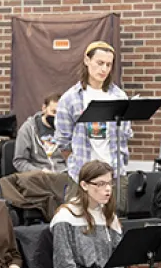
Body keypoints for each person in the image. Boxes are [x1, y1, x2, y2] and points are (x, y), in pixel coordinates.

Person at [54, 41, 131, 178]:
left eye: (108, 65)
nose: (104, 69)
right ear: (87, 60)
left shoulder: (119, 96)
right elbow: (63, 141)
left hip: (114, 172)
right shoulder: (70, 98)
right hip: (82, 174)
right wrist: (76, 164)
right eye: (100, 63)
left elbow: (124, 135)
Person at [13, 93, 67, 173]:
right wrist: (40, 172)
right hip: (38, 177)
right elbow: (19, 162)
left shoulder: (68, 129)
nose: (57, 117)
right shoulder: (28, 129)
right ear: (44, 108)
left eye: (61, 114)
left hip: (63, 175)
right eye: (54, 112)